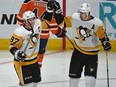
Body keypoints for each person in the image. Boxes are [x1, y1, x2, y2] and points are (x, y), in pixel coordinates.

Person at [48, 1, 112, 87]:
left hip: (91, 56)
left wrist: (106, 43)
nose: (81, 14)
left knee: (90, 81)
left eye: (83, 13)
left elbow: (103, 37)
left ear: (88, 13)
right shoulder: (75, 18)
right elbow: (61, 22)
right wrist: (57, 11)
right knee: (73, 80)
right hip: (78, 53)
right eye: (81, 12)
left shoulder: (97, 23)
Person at [9, 10, 64, 87]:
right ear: (25, 21)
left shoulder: (37, 24)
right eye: (30, 20)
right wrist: (17, 53)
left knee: (35, 83)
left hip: (34, 61)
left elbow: (47, 22)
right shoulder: (19, 32)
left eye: (33, 19)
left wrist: (49, 10)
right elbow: (12, 46)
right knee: (29, 85)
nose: (32, 21)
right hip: (22, 63)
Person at [16, 0, 58, 68]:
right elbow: (52, 23)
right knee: (40, 54)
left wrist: (26, 29)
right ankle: (37, 72)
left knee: (27, 53)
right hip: (43, 35)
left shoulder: (28, 1)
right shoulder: (50, 3)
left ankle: (26, 72)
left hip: (29, 34)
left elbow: (20, 19)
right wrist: (57, 32)